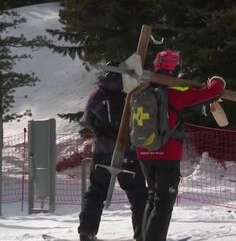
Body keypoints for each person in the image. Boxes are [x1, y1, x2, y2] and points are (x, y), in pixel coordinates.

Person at [135, 50, 226, 241]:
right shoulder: (177, 92)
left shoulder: (143, 91)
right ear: (175, 68)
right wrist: (217, 80)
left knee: (152, 197)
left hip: (144, 151)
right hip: (167, 153)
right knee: (163, 204)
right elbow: (213, 91)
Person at [78, 66, 148, 241]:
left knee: (96, 192)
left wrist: (100, 131)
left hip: (103, 152)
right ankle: (143, 234)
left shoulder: (97, 95)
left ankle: (87, 231)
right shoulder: (132, 93)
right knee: (138, 194)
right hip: (129, 151)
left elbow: (87, 120)